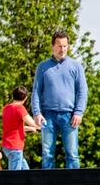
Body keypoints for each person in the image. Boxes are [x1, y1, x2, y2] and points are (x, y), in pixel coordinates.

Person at [32, 31, 88, 169]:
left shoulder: (75, 66)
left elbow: (83, 91)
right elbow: (36, 91)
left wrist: (79, 112)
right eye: (59, 46)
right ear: (52, 46)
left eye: (65, 46)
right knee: (46, 154)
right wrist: (37, 113)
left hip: (69, 116)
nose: (62, 49)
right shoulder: (43, 66)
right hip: (47, 116)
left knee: (72, 154)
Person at [3, 85, 40, 171]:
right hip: (15, 146)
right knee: (15, 176)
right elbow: (32, 122)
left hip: (6, 146)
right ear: (25, 98)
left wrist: (30, 129)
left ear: (12, 96)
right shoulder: (19, 108)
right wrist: (44, 126)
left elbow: (13, 127)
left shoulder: (6, 108)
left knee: (26, 173)